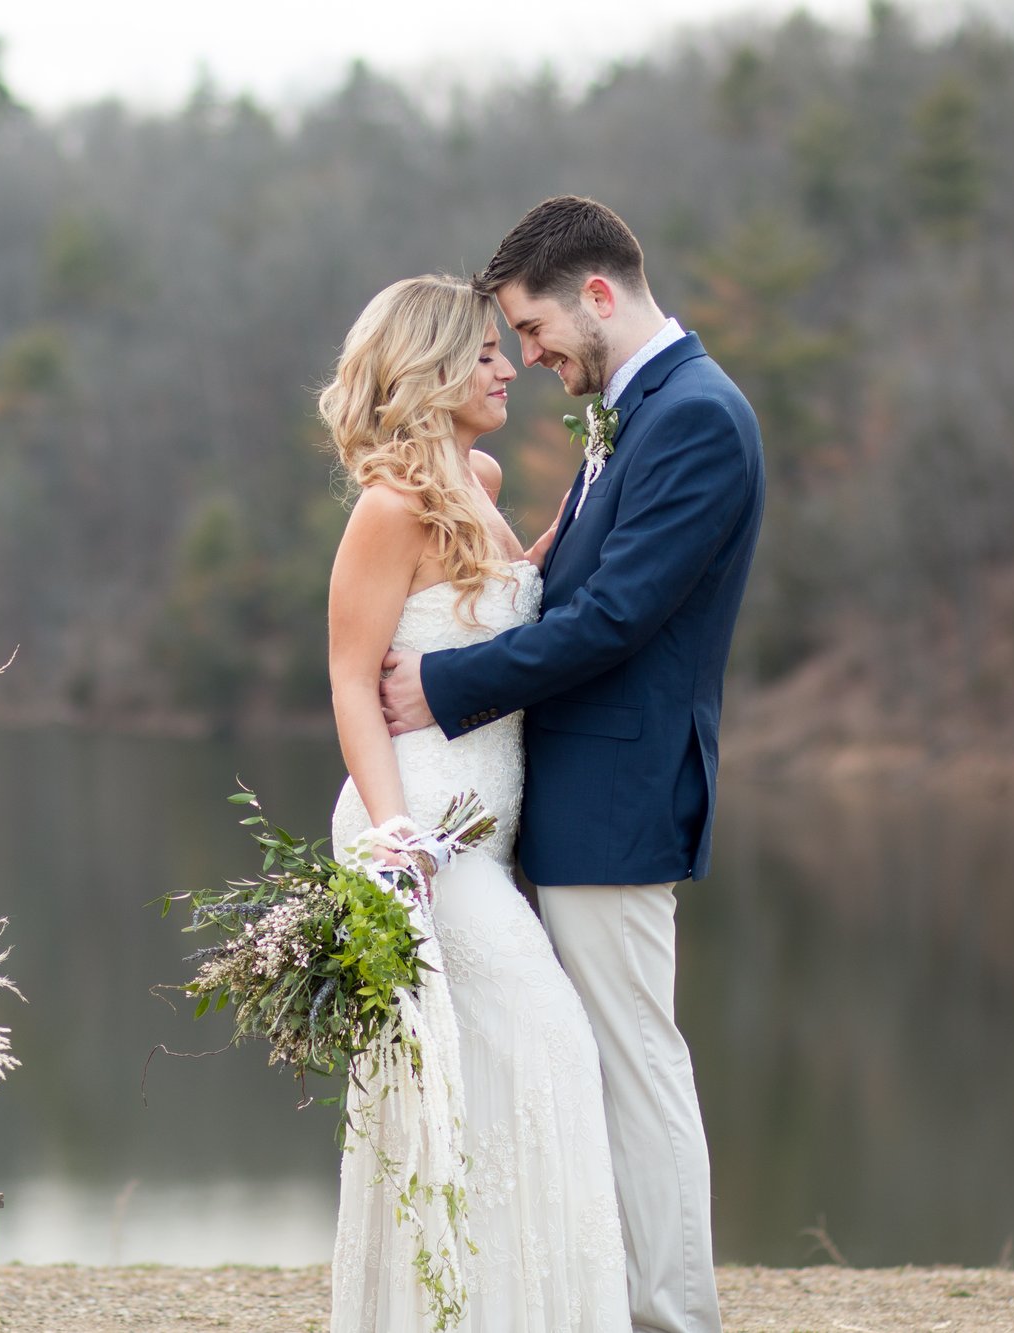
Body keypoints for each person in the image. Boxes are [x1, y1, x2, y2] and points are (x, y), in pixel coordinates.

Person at [379, 196, 766, 1333]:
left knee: (636, 1065)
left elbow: (616, 621)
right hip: (565, 796)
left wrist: (447, 685)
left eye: (533, 330)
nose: (532, 358)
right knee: (589, 1064)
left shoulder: (693, 416)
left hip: (620, 796)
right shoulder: (634, 412)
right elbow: (584, 585)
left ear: (596, 293)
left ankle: (669, 1317)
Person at [323, 273, 630, 1332]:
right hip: (423, 833)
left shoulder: (479, 478)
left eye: (510, 350)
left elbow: (498, 609)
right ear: (432, 366)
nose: (509, 369)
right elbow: (349, 679)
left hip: (485, 837)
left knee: (504, 1074)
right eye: (488, 354)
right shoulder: (388, 506)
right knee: (542, 1043)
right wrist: (392, 836)